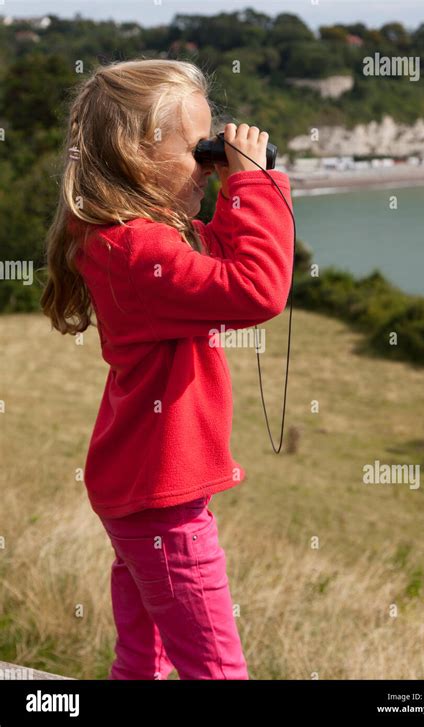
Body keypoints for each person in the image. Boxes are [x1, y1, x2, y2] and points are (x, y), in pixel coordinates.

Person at [40, 58, 294, 680]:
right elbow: (257, 288)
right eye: (198, 151)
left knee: (144, 660)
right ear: (136, 152)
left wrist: (237, 184)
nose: (210, 165)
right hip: (161, 497)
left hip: (140, 491)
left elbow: (220, 257)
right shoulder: (138, 249)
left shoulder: (121, 236)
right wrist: (253, 184)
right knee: (215, 670)